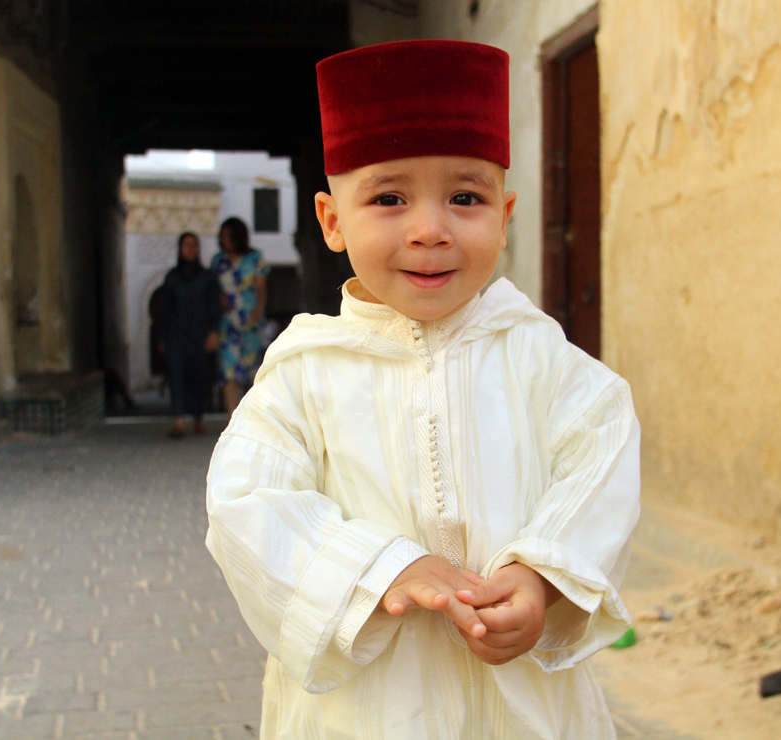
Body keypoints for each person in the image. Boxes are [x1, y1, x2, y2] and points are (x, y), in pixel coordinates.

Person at [205, 40, 641, 739]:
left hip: (521, 702)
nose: (430, 229)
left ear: (505, 214)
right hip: (366, 708)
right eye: (389, 197)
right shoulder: (305, 371)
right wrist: (384, 569)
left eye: (465, 197)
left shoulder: (536, 354)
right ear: (332, 219)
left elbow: (603, 448)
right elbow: (245, 500)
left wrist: (541, 577)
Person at [159, 232, 221, 438]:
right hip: (176, 335)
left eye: (194, 245)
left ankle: (198, 418)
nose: (190, 249)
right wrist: (162, 337)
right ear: (180, 248)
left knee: (200, 376)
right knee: (177, 376)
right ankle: (178, 421)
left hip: (200, 335)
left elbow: (214, 306)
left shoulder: (208, 277)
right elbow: (164, 310)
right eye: (186, 245)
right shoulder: (171, 278)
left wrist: (213, 332)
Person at [210, 215, 270, 414]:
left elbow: (261, 289)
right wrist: (219, 298)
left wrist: (258, 311)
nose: (225, 240)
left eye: (229, 236)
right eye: (223, 236)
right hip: (227, 323)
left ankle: (252, 421)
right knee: (229, 371)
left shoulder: (255, 258)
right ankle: (231, 421)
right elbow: (211, 289)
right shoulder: (218, 261)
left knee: (253, 372)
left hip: (251, 321)